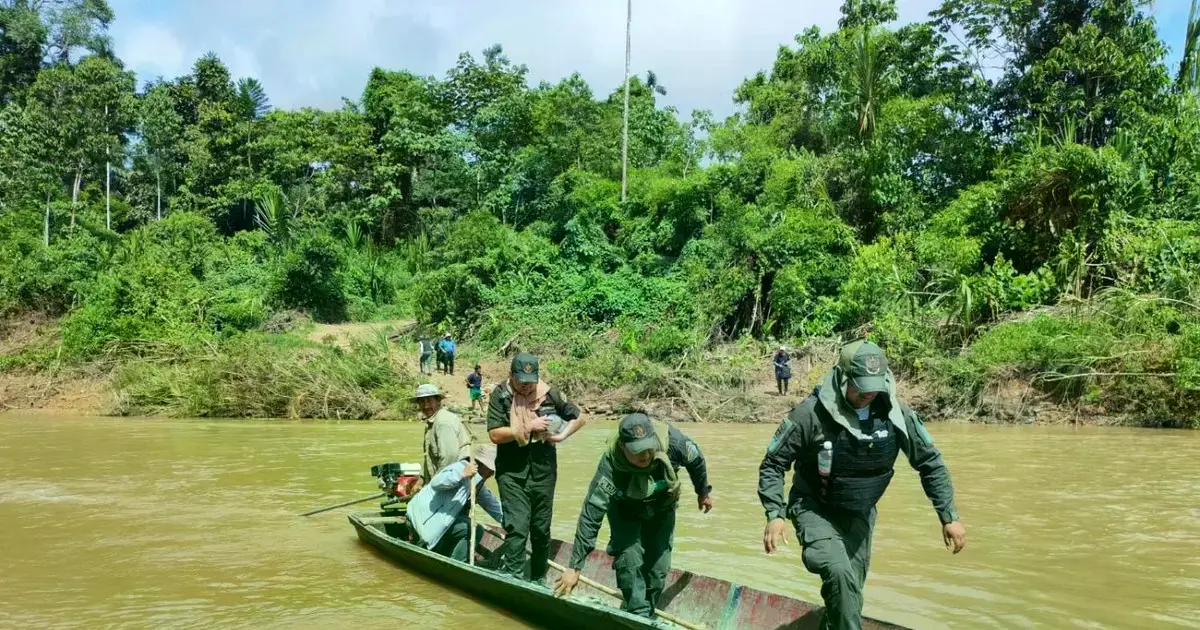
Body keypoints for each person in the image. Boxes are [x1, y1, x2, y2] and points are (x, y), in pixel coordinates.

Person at [758, 340, 966, 630]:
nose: (868, 394)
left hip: (860, 513)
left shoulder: (897, 415)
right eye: (860, 387)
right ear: (842, 378)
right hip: (814, 508)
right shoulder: (809, 415)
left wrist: (949, 516)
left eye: (873, 386)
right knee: (839, 572)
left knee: (850, 592)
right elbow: (773, 464)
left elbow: (930, 462)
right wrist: (775, 514)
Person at [553, 413, 712, 618]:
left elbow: (696, 460)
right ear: (622, 446)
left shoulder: (674, 443)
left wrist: (703, 492)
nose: (645, 455)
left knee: (658, 568)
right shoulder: (610, 467)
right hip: (624, 511)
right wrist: (574, 567)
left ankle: (645, 611)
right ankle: (637, 613)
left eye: (648, 447)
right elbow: (591, 516)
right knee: (630, 560)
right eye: (637, 451)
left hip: (661, 509)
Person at [487, 352, 587, 582]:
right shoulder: (501, 395)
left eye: (530, 382)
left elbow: (580, 417)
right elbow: (494, 434)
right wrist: (526, 427)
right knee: (518, 527)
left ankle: (538, 578)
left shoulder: (549, 394)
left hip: (543, 472)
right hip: (512, 473)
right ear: (511, 376)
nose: (526, 387)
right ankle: (513, 576)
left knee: (541, 530)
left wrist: (562, 435)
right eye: (521, 381)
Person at [406, 444, 504, 562]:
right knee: (474, 529)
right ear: (480, 464)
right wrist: (461, 474)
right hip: (422, 520)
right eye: (490, 470)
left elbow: (493, 506)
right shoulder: (459, 468)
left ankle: (452, 554)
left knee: (468, 523)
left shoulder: (477, 483)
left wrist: (514, 523)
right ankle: (458, 563)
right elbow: (436, 483)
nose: (492, 474)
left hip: (438, 523)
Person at [414, 383, 471, 484]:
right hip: (448, 479)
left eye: (429, 401)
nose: (426, 405)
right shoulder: (433, 421)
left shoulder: (443, 422)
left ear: (438, 401)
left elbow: (449, 459)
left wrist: (433, 486)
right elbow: (430, 458)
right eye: (422, 401)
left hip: (453, 482)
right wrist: (422, 479)